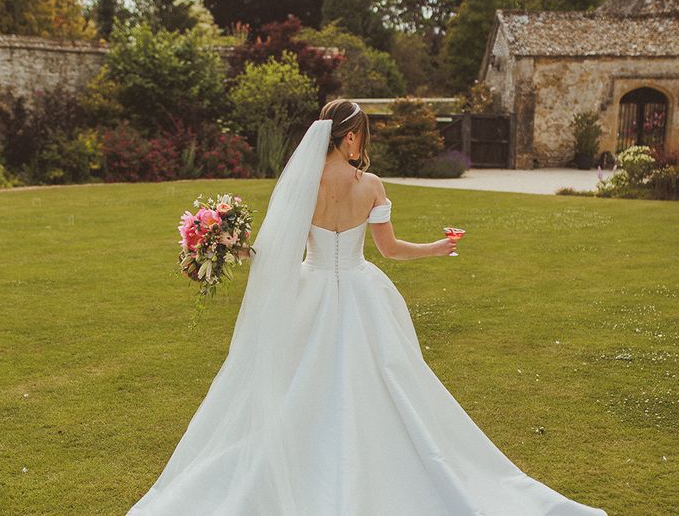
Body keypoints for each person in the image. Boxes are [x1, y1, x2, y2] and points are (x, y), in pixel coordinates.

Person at [127, 100, 607, 515]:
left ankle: (301, 463)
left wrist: (226, 243)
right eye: (361, 138)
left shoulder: (303, 185)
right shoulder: (371, 186)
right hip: (360, 292)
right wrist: (438, 248)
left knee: (302, 385)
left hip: (309, 290)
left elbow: (274, 256)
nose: (361, 146)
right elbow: (391, 250)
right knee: (386, 383)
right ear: (351, 137)